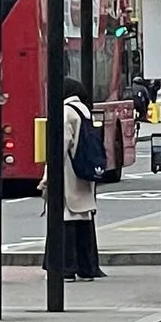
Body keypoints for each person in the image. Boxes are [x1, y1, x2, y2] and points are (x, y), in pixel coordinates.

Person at [56, 90, 105, 280]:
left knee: (66, 217)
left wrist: (47, 174)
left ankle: (67, 269)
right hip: (84, 173)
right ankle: (87, 268)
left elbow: (60, 145)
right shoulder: (84, 110)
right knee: (83, 218)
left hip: (68, 172)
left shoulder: (65, 112)